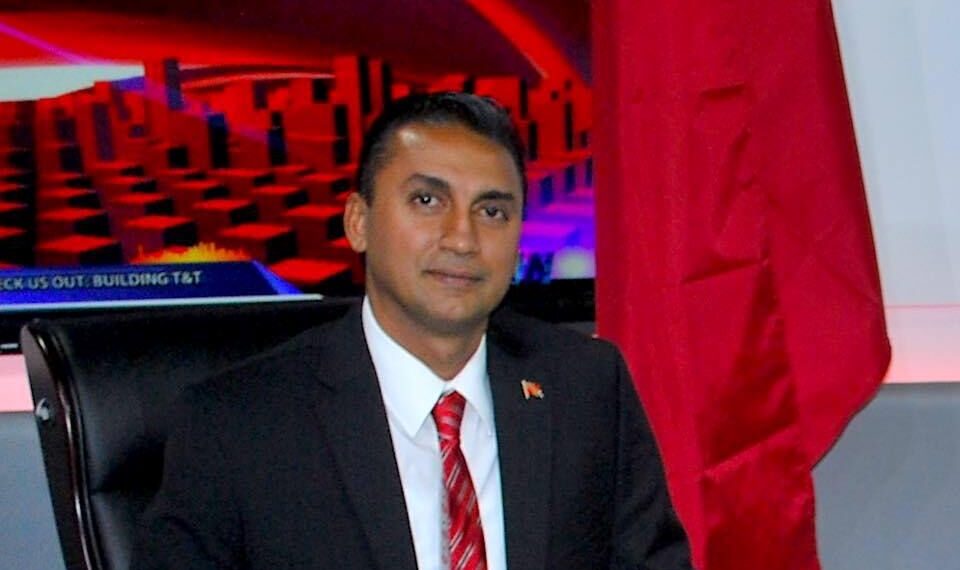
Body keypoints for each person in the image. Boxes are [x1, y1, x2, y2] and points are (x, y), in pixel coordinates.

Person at [132, 92, 692, 569]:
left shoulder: (586, 387)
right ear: (358, 222)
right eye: (427, 201)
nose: (462, 239)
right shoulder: (237, 425)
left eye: (492, 212)